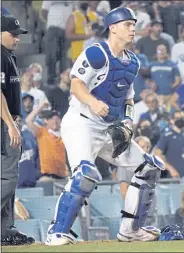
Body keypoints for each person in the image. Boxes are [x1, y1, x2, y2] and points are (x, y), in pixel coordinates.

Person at [45, 8, 164, 246]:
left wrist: (128, 123)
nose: (133, 29)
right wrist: (93, 102)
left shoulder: (133, 62)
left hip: (110, 129)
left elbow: (129, 99)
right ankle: (56, 232)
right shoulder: (96, 53)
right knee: (85, 174)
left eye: (134, 24)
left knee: (149, 167)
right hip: (81, 122)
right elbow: (76, 85)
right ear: (113, 27)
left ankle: (131, 230)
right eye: (128, 24)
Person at [1, 15, 35, 246]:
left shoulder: (7, 56)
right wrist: (11, 125)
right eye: (12, 34)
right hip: (4, 122)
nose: (16, 38)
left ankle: (5, 231)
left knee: (7, 177)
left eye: (18, 35)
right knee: (8, 177)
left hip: (8, 121)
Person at [154, 110, 184, 178]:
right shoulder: (167, 136)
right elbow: (157, 155)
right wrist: (171, 169)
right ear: (172, 120)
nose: (179, 120)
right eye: (176, 118)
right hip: (175, 176)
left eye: (181, 118)